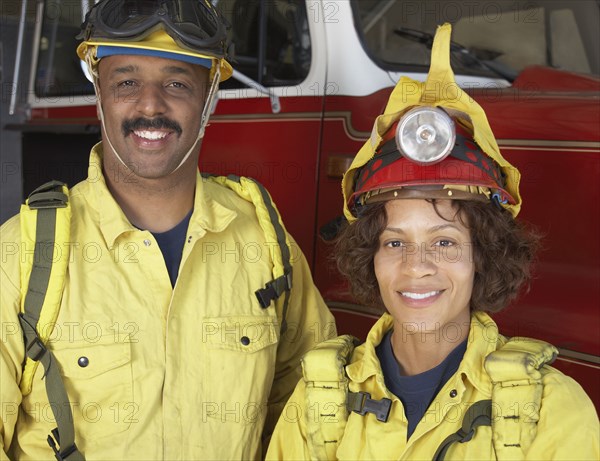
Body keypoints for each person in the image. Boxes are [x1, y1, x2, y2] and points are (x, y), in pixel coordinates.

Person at [0, 0, 335, 459]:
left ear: (209, 96)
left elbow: (312, 410)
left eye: (177, 83)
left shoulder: (266, 243)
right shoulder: (22, 253)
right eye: (127, 82)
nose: (151, 105)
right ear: (99, 92)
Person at [266, 24, 599, 460]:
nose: (416, 266)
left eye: (444, 243)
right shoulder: (316, 399)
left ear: (484, 255)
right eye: (394, 242)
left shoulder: (555, 411)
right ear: (370, 258)